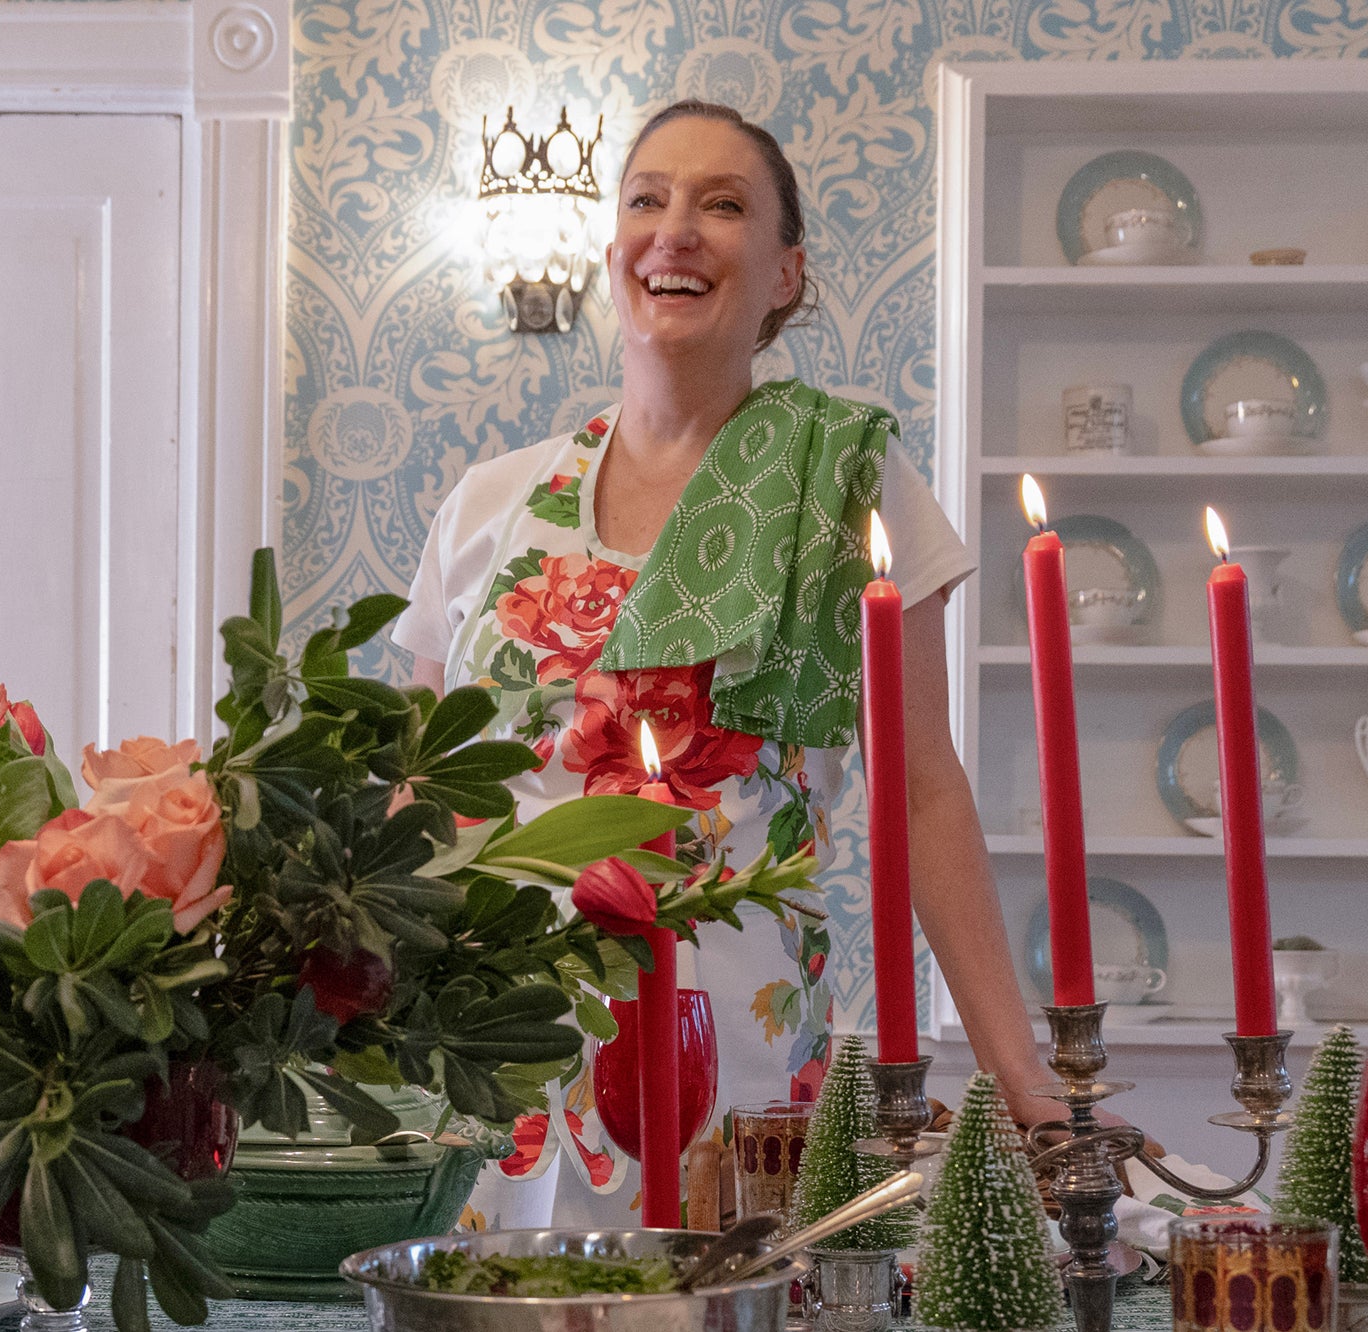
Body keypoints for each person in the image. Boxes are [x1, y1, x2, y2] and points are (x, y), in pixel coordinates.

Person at [394, 99, 1063, 1224]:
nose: (675, 230)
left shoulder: (849, 483)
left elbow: (924, 790)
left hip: (736, 1066)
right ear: (612, 250)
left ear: (785, 273)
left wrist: (1027, 1084)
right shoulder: (486, 505)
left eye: (722, 204)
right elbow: (418, 795)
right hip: (490, 1064)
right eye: (646, 199)